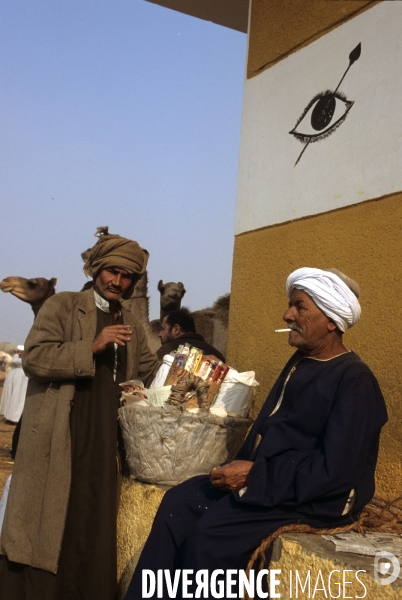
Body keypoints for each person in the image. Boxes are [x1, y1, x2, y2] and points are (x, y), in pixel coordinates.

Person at [124, 267, 387, 600]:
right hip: (269, 481)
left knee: (211, 537)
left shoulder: (354, 380)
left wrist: (254, 476)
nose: (287, 314)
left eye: (299, 307)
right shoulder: (301, 362)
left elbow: (334, 473)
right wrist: (239, 472)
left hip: (316, 497)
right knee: (180, 501)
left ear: (331, 320)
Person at [0, 227, 160, 600]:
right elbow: (36, 357)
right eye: (112, 272)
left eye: (127, 276)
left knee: (91, 519)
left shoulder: (132, 324)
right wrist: (91, 346)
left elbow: (149, 367)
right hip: (60, 431)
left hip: (105, 439)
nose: (118, 282)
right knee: (46, 522)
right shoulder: (64, 306)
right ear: (96, 269)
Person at [157, 308, 225, 362]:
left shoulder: (166, 351)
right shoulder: (217, 355)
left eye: (163, 329)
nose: (159, 334)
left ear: (176, 329)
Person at [0, 346, 28, 424]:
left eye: (21, 352)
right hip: (12, 379)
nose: (19, 353)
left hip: (21, 380)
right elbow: (13, 360)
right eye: (18, 351)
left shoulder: (27, 358)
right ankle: (9, 417)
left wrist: (13, 360)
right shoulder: (16, 357)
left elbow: (16, 362)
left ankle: (16, 418)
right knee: (10, 397)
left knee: (17, 398)